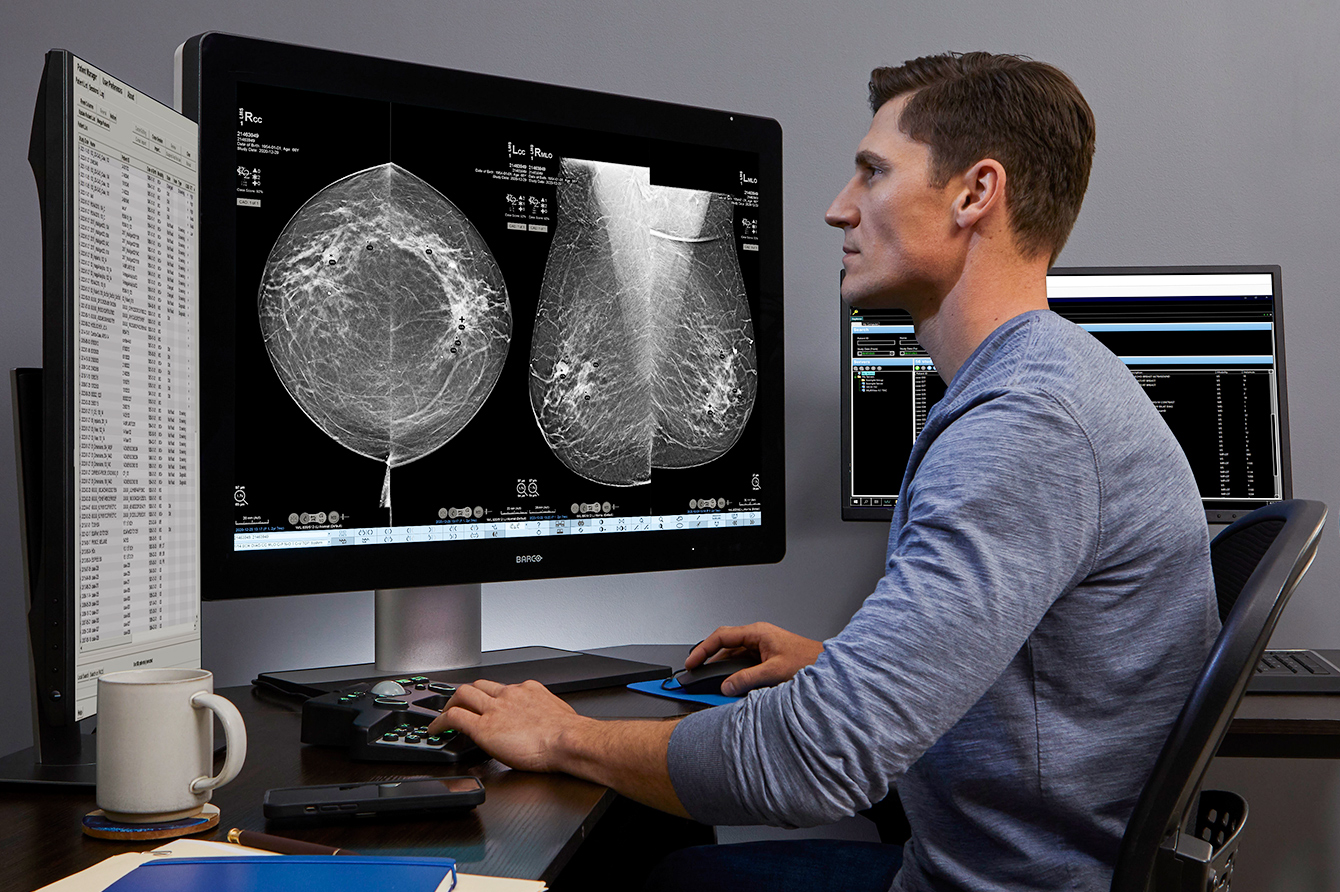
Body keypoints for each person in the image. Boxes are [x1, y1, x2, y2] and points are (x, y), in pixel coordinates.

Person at [428, 52, 1219, 892]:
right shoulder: (1047, 383)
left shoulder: (1024, 427)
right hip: (1008, 865)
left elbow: (813, 760)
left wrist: (561, 736)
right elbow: (1043, 679)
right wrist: (840, 662)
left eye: (872, 173)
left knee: (645, 871)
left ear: (974, 194)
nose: (838, 208)